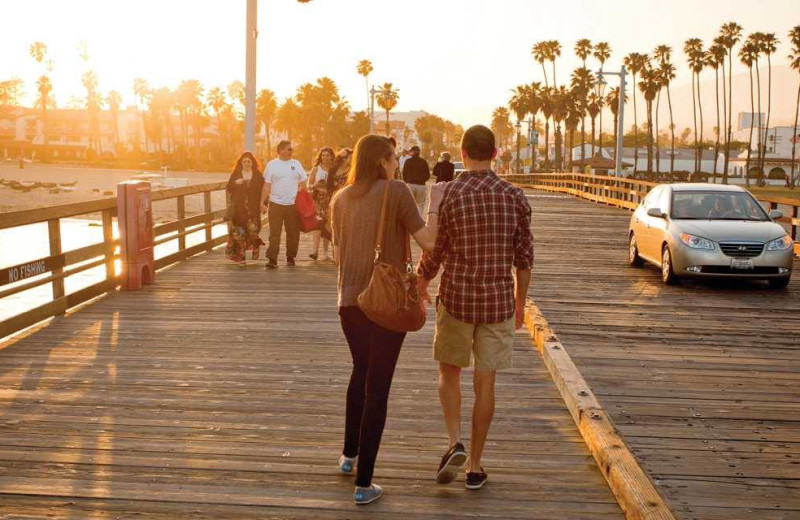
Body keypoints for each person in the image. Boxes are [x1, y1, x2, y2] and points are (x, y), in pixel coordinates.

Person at [417, 125, 534, 491]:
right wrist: (519, 304)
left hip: (456, 299)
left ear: (463, 154)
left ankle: (454, 443)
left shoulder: (450, 194)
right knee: (486, 383)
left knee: (449, 373)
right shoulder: (515, 196)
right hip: (498, 302)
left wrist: (421, 281)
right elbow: (525, 260)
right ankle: (476, 466)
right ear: (495, 153)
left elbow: (437, 250)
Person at [331, 134, 446, 505]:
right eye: (394, 157)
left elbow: (337, 254)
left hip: (349, 302)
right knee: (377, 386)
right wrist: (433, 206)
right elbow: (428, 242)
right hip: (384, 301)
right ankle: (364, 484)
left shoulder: (339, 199)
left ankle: (349, 457)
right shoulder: (396, 191)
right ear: (382, 160)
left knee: (359, 372)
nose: (397, 163)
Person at [260, 141, 308, 268]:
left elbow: (304, 184)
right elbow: (267, 185)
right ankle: (272, 259)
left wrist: (302, 195)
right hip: (275, 204)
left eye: (292, 149)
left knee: (293, 232)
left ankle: (290, 257)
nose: (291, 151)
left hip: (292, 204)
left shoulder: (296, 164)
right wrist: (262, 202)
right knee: (274, 233)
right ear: (281, 150)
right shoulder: (272, 165)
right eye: (289, 149)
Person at [225, 152, 266, 266]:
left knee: (253, 232)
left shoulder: (257, 175)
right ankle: (241, 258)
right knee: (240, 233)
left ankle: (256, 244)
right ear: (241, 163)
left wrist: (264, 204)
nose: (247, 163)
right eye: (244, 161)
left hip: (253, 210)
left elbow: (264, 190)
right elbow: (229, 187)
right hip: (239, 210)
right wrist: (235, 182)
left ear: (252, 163)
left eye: (249, 161)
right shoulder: (236, 173)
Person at [308, 147, 334, 260]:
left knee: (328, 225)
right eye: (323, 155)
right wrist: (315, 185)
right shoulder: (315, 169)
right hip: (318, 199)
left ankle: (326, 253)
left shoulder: (334, 169)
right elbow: (309, 185)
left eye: (327, 155)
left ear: (331, 156)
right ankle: (314, 251)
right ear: (320, 156)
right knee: (318, 224)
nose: (325, 157)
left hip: (331, 199)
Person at [401, 145, 431, 215]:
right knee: (420, 205)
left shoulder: (408, 161)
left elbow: (404, 173)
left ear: (412, 152)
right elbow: (427, 175)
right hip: (421, 185)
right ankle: (419, 221)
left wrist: (407, 181)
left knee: (409, 204)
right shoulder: (423, 162)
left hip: (410, 184)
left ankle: (409, 221)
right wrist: (422, 180)